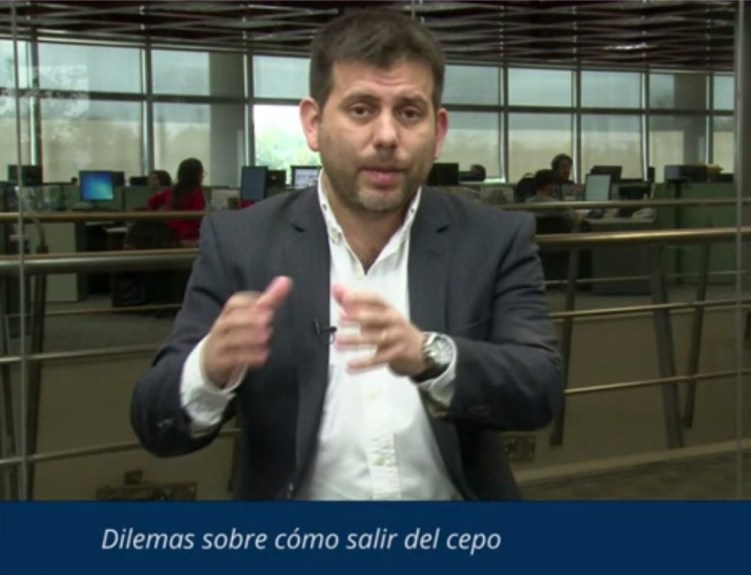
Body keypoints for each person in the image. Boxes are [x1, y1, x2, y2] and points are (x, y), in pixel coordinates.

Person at [131, 9, 562, 501]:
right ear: (314, 124)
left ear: (438, 132)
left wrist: (431, 355)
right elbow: (155, 423)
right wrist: (207, 369)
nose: (386, 136)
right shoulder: (240, 243)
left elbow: (540, 388)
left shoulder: (495, 238)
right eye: (361, 109)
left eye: (409, 112)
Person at [146, 158, 206, 244]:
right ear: (197, 175)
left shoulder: (172, 190)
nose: (203, 176)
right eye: (202, 173)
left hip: (169, 236)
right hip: (189, 236)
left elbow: (151, 202)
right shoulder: (196, 192)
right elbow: (199, 219)